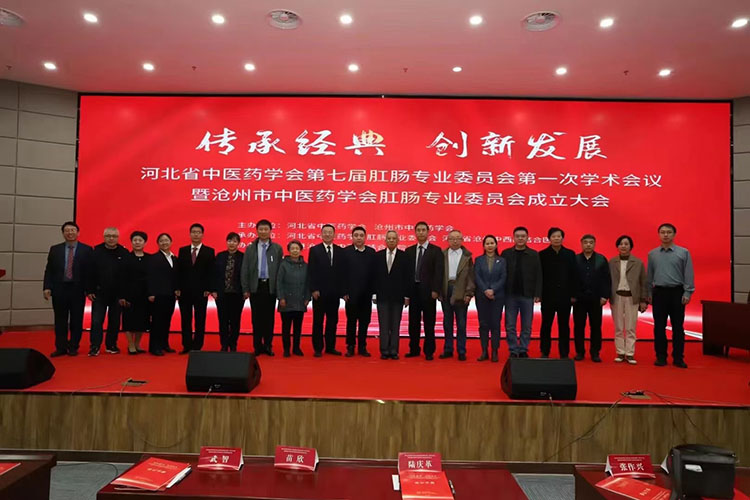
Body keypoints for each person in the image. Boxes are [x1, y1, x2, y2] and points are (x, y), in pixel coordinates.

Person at [647, 223, 694, 368]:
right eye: (662, 232)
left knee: (678, 327)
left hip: (677, 293)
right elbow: (649, 276)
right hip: (659, 293)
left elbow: (688, 274)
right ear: (659, 235)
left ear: (674, 234)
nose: (665, 235)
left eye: (668, 232)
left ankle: (678, 358)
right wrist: (648, 293)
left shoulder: (683, 253)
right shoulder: (652, 254)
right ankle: (661, 356)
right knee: (659, 327)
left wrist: (687, 292)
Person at [43, 221, 93, 357]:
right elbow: (49, 270)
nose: (70, 233)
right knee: (60, 320)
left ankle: (73, 347)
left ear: (78, 233)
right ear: (63, 233)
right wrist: (47, 287)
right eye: (67, 231)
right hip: (59, 288)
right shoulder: (55, 249)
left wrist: (89, 290)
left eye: (72, 230)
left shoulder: (87, 250)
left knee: (76, 319)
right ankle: (61, 347)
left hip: (78, 289)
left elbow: (90, 272)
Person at [240, 219, 283, 356]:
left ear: (270, 231)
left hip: (270, 286)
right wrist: (245, 288)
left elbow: (280, 271)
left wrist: (279, 290)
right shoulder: (250, 248)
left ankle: (268, 345)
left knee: (269, 318)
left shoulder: (277, 248)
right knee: (256, 318)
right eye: (261, 229)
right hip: (256, 286)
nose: (263, 232)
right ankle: (257, 346)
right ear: (257, 231)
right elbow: (245, 269)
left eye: (266, 229)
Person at [86, 227, 130, 356]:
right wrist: (90, 290)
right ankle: (95, 346)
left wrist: (124, 295)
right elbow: (89, 273)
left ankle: (111, 345)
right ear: (104, 237)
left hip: (117, 294)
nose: (111, 238)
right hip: (99, 293)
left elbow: (126, 276)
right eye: (108, 236)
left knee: (115, 321)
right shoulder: (96, 251)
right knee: (96, 321)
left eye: (114, 236)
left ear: (118, 238)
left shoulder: (124, 252)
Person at [500, 227, 542, 358]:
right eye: (517, 236)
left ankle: (523, 349)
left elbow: (539, 274)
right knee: (510, 325)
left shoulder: (534, 254)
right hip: (510, 295)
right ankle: (513, 349)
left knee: (527, 325)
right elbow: (501, 273)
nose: (520, 238)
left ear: (527, 238)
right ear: (513, 238)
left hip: (527, 294)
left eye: (523, 236)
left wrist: (538, 293)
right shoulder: (506, 253)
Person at [404, 221, 444, 360]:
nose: (421, 232)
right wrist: (406, 294)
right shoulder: (409, 251)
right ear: (415, 233)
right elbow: (407, 274)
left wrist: (436, 290)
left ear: (428, 232)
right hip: (413, 291)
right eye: (418, 230)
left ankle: (429, 351)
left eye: (423, 230)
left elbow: (438, 272)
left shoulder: (436, 250)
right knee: (413, 323)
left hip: (429, 292)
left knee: (429, 323)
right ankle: (414, 349)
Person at [538, 227, 577, 359]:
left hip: (565, 297)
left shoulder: (570, 254)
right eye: (553, 236)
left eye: (559, 236)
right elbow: (539, 277)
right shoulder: (542, 255)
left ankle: (564, 353)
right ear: (549, 238)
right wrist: (539, 294)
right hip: (547, 296)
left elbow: (574, 276)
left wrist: (573, 295)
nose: (556, 239)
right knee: (546, 325)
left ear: (562, 238)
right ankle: (545, 351)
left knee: (564, 325)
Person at [176, 223, 215, 353]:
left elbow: (211, 272)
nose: (196, 234)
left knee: (200, 319)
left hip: (201, 292)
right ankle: (186, 345)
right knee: (185, 319)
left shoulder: (209, 251)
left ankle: (198, 346)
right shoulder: (183, 250)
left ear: (202, 235)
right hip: (184, 291)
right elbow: (179, 271)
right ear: (190, 234)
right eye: (193, 232)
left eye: (198, 232)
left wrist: (208, 288)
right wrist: (177, 288)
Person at [608, 235, 648, 364]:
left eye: (626, 244)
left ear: (631, 246)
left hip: (632, 297)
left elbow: (643, 282)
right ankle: (620, 352)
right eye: (621, 244)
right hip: (617, 297)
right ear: (617, 246)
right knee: (619, 327)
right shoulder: (612, 262)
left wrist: (643, 300)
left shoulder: (638, 263)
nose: (623, 246)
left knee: (631, 327)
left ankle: (630, 353)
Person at [308, 224, 346, 356]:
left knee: (332, 321)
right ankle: (318, 348)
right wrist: (313, 289)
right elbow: (311, 271)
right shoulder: (315, 250)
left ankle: (330, 347)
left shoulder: (340, 251)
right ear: (321, 234)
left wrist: (342, 291)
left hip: (334, 293)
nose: (328, 234)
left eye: (330, 232)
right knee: (318, 321)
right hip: (319, 293)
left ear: (334, 234)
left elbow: (342, 274)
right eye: (325, 232)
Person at [573, 234, 611, 362]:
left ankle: (595, 352)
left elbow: (606, 279)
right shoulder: (575, 259)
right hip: (579, 299)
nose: (588, 245)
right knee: (579, 326)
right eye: (585, 242)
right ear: (581, 244)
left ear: (594, 244)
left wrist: (605, 296)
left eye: (591, 242)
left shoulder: (601, 259)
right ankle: (580, 352)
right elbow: (571, 279)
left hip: (596, 299)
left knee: (595, 326)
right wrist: (573, 295)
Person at [373, 230, 411, 360]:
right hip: (382, 296)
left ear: (398, 240)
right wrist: (374, 294)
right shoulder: (378, 256)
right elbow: (374, 277)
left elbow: (407, 278)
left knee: (395, 325)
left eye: (394, 238)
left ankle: (394, 350)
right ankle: (384, 350)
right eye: (389, 238)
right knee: (383, 325)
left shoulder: (404, 257)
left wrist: (407, 296)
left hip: (398, 297)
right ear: (385, 240)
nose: (391, 240)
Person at [439, 230, 475, 361]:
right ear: (448, 240)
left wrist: (469, 293)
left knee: (461, 323)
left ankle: (461, 350)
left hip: (461, 290)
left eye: (458, 238)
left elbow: (471, 276)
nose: (455, 241)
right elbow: (438, 274)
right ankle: (448, 349)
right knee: (447, 322)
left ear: (462, 240)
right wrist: (439, 291)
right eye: (452, 238)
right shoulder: (442, 254)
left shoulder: (467, 256)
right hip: (446, 289)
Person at [343, 226, 376, 357]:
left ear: (365, 237)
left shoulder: (371, 252)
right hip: (351, 294)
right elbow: (342, 274)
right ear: (352, 237)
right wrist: (344, 291)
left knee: (364, 321)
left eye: (361, 235)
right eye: (356, 235)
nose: (359, 238)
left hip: (366, 294)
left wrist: (374, 292)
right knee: (351, 321)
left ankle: (362, 346)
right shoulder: (346, 252)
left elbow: (374, 275)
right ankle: (350, 346)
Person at [474, 235, 506, 362]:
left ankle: (494, 351)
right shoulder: (478, 260)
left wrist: (493, 289)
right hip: (482, 296)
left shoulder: (502, 261)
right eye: (487, 243)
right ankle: (484, 351)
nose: (490, 246)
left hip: (497, 296)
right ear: (483, 246)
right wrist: (485, 290)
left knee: (495, 324)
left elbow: (503, 277)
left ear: (496, 245)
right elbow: (477, 276)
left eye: (492, 243)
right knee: (483, 324)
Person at [212, 232, 245, 352]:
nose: (232, 243)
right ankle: (224, 344)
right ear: (226, 242)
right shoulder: (220, 256)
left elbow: (246, 275)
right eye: (230, 241)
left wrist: (246, 290)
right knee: (223, 320)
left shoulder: (243, 257)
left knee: (235, 320)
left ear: (238, 243)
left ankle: (233, 343)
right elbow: (214, 274)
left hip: (237, 294)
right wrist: (214, 290)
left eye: (235, 241)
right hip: (222, 293)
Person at [276, 240, 310, 357]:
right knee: (286, 327)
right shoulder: (283, 264)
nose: (295, 250)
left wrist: (307, 297)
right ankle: (286, 349)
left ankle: (296, 348)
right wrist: (281, 297)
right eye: (292, 248)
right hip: (286, 300)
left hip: (300, 300)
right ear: (289, 250)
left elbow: (308, 283)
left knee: (297, 327)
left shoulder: (305, 266)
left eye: (297, 248)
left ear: (301, 250)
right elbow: (279, 282)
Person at [147, 233, 178, 356]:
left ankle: (164, 344)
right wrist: (151, 293)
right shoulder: (153, 258)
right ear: (158, 243)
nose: (164, 243)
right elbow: (150, 277)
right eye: (161, 241)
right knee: (157, 321)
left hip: (170, 295)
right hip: (158, 294)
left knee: (166, 320)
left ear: (171, 242)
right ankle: (155, 347)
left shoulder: (174, 258)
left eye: (166, 240)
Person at [121, 231, 150, 355]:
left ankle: (137, 343)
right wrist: (122, 296)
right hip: (129, 294)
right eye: (135, 240)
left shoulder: (149, 258)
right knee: (128, 320)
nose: (137, 242)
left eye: (140, 240)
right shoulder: (126, 257)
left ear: (145, 242)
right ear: (131, 242)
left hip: (144, 294)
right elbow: (121, 278)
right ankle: (130, 344)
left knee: (142, 320)